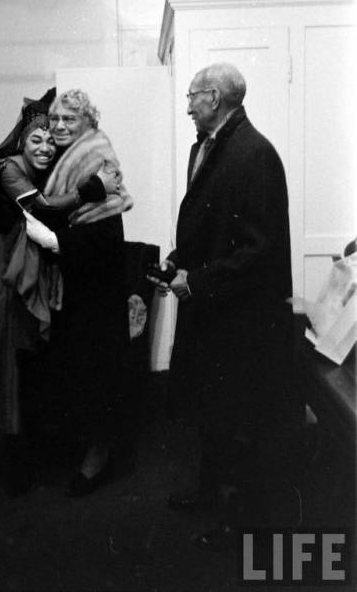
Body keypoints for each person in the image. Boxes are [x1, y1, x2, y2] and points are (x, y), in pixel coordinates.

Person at [148, 63, 300, 549]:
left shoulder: (254, 154)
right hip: (215, 310)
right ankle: (213, 494)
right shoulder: (207, 146)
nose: (188, 104)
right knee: (213, 413)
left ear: (213, 98)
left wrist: (201, 281)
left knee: (238, 422)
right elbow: (208, 226)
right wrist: (178, 262)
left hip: (241, 320)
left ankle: (240, 522)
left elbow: (262, 248)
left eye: (193, 96)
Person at [0, 91, 124, 493]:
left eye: (59, 128)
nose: (50, 139)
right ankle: (10, 460)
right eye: (38, 136)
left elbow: (83, 225)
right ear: (21, 141)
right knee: (10, 358)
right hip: (9, 273)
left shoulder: (71, 162)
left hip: (40, 271)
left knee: (33, 362)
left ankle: (35, 451)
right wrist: (92, 189)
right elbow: (41, 207)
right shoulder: (11, 167)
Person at [23, 89, 133, 496]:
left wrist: (54, 242)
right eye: (55, 120)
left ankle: (98, 458)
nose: (61, 126)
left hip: (95, 290)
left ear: (89, 123)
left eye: (71, 119)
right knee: (78, 373)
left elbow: (104, 237)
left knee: (96, 373)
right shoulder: (66, 161)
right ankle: (88, 448)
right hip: (75, 285)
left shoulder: (95, 158)